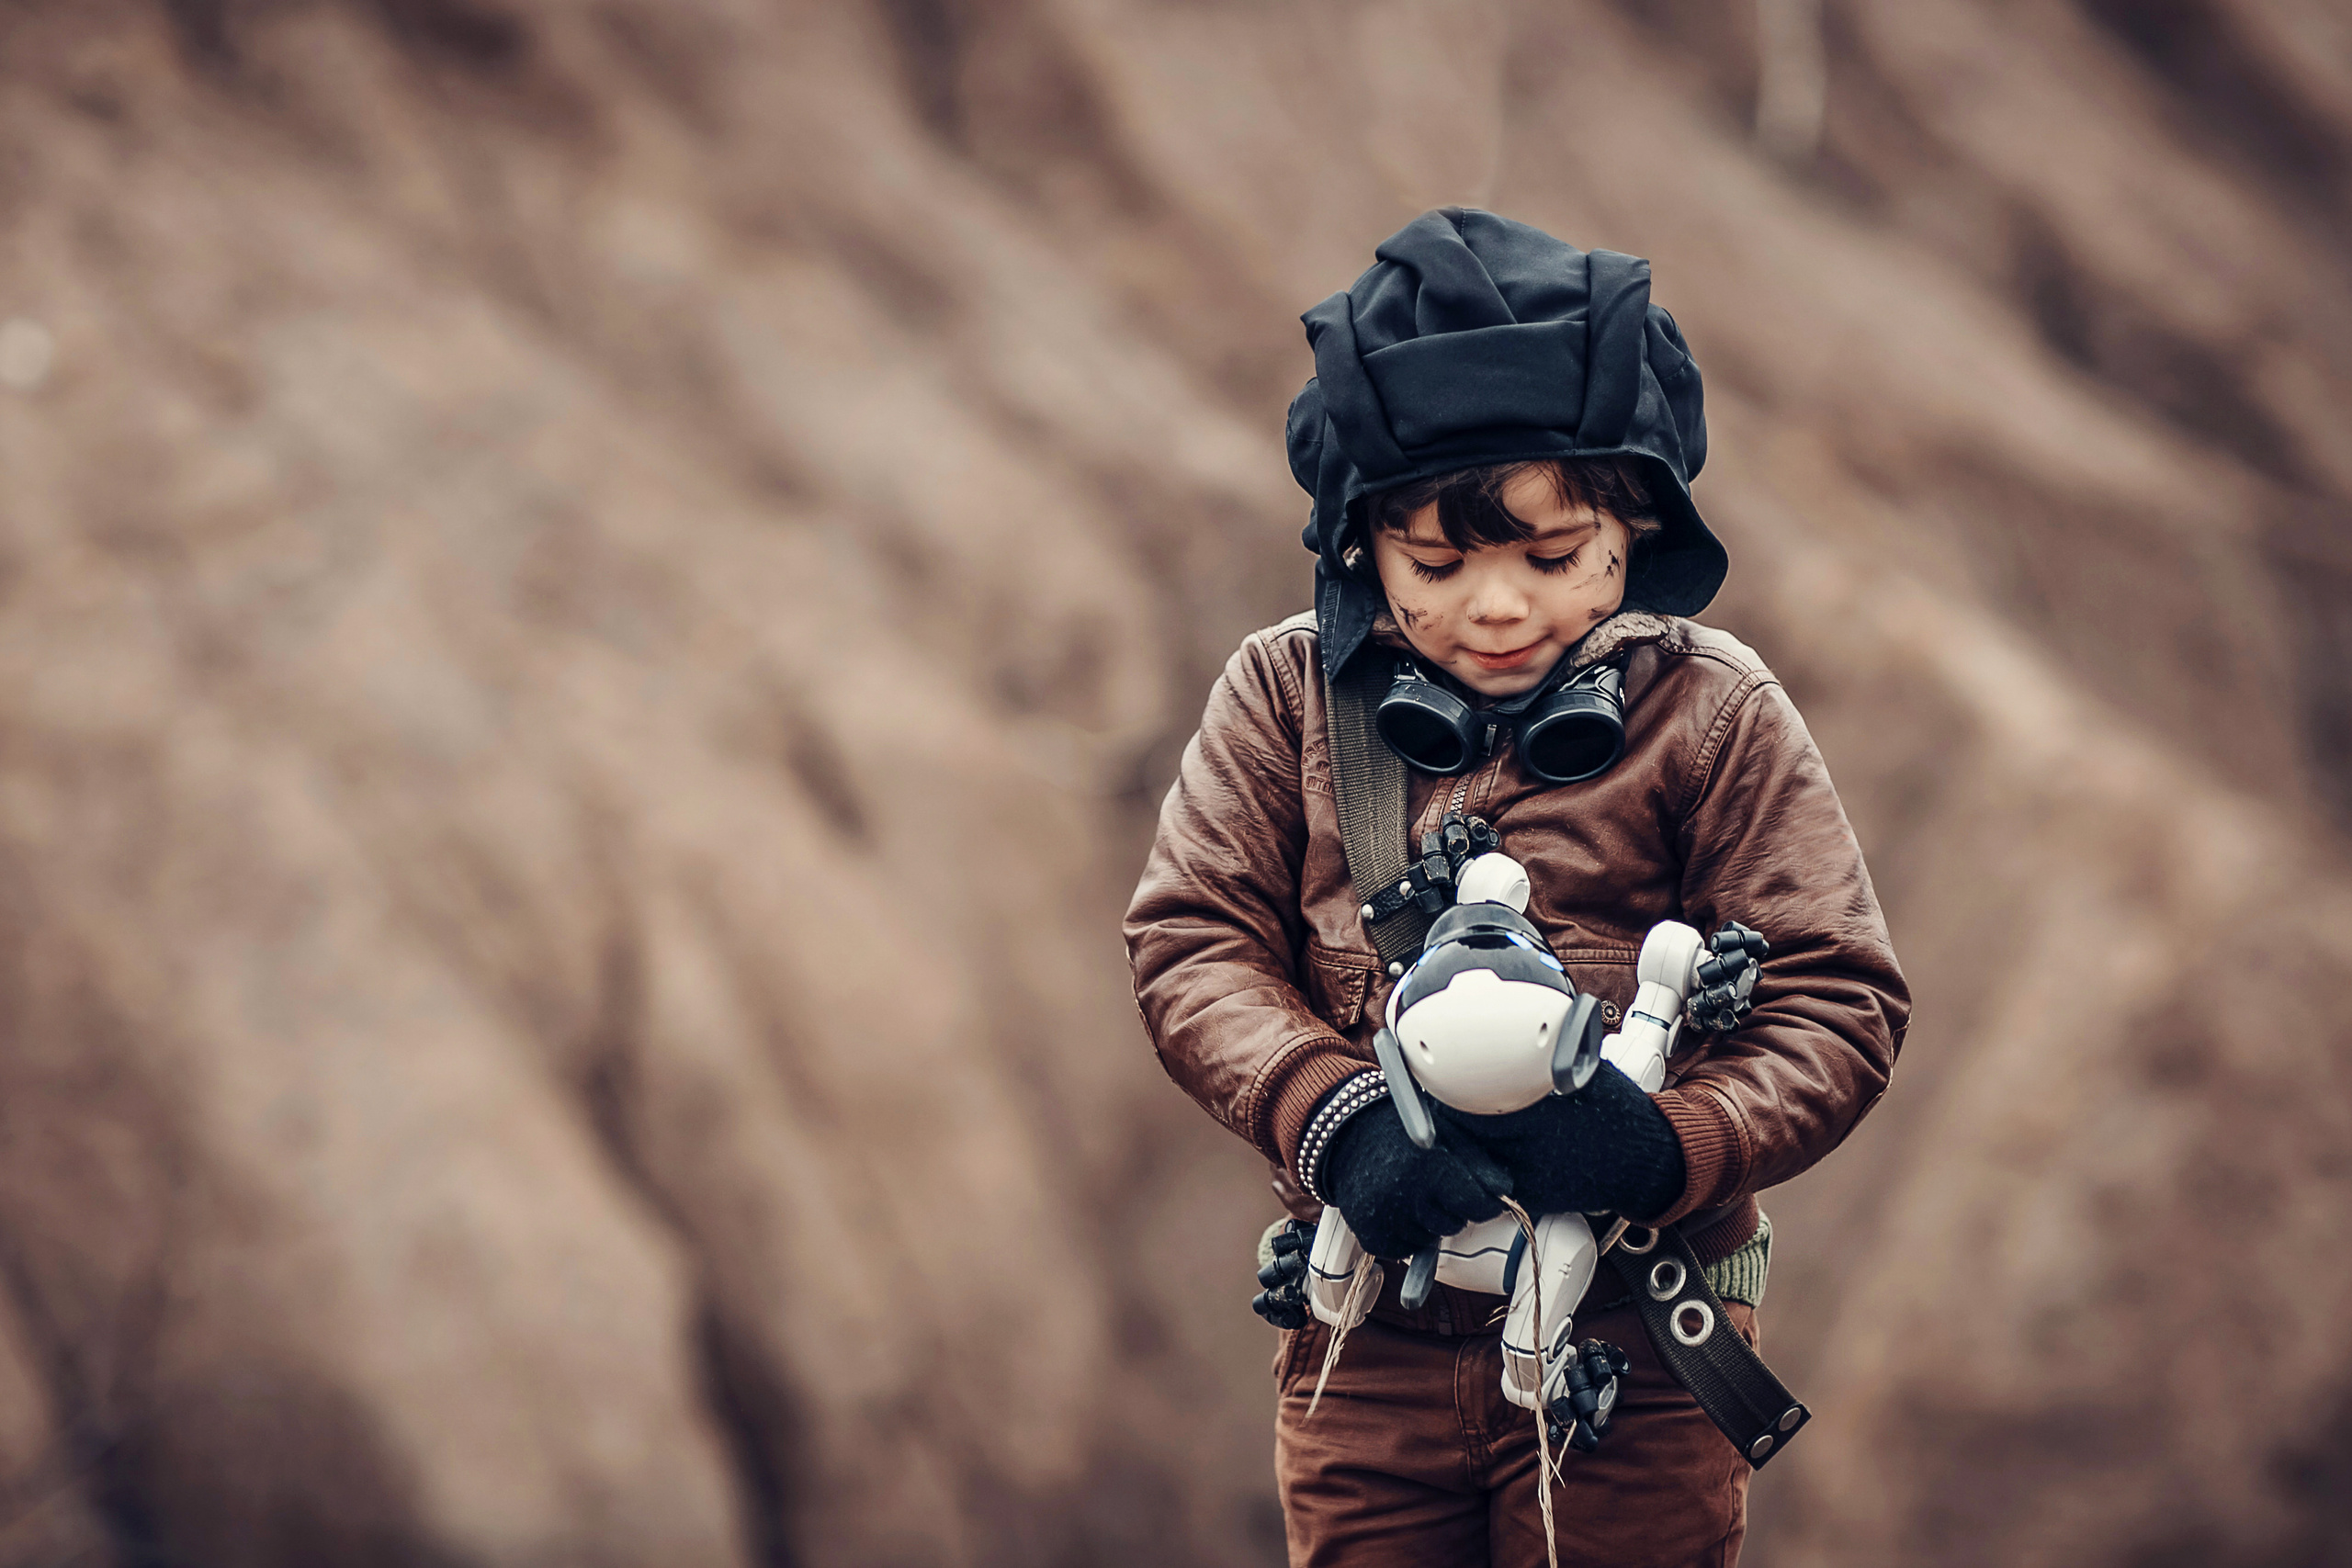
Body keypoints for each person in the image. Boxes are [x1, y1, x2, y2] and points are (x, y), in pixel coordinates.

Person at [1124, 209, 1909, 1567]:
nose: (1496, 607)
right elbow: (1193, 943)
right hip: (1361, 1346)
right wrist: (1335, 1121)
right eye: (1437, 565)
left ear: (1638, 525)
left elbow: (1839, 1001)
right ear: (1359, 542)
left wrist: (1673, 1147)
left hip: (1641, 1351)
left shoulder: (1712, 716)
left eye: (1552, 560)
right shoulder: (1283, 698)